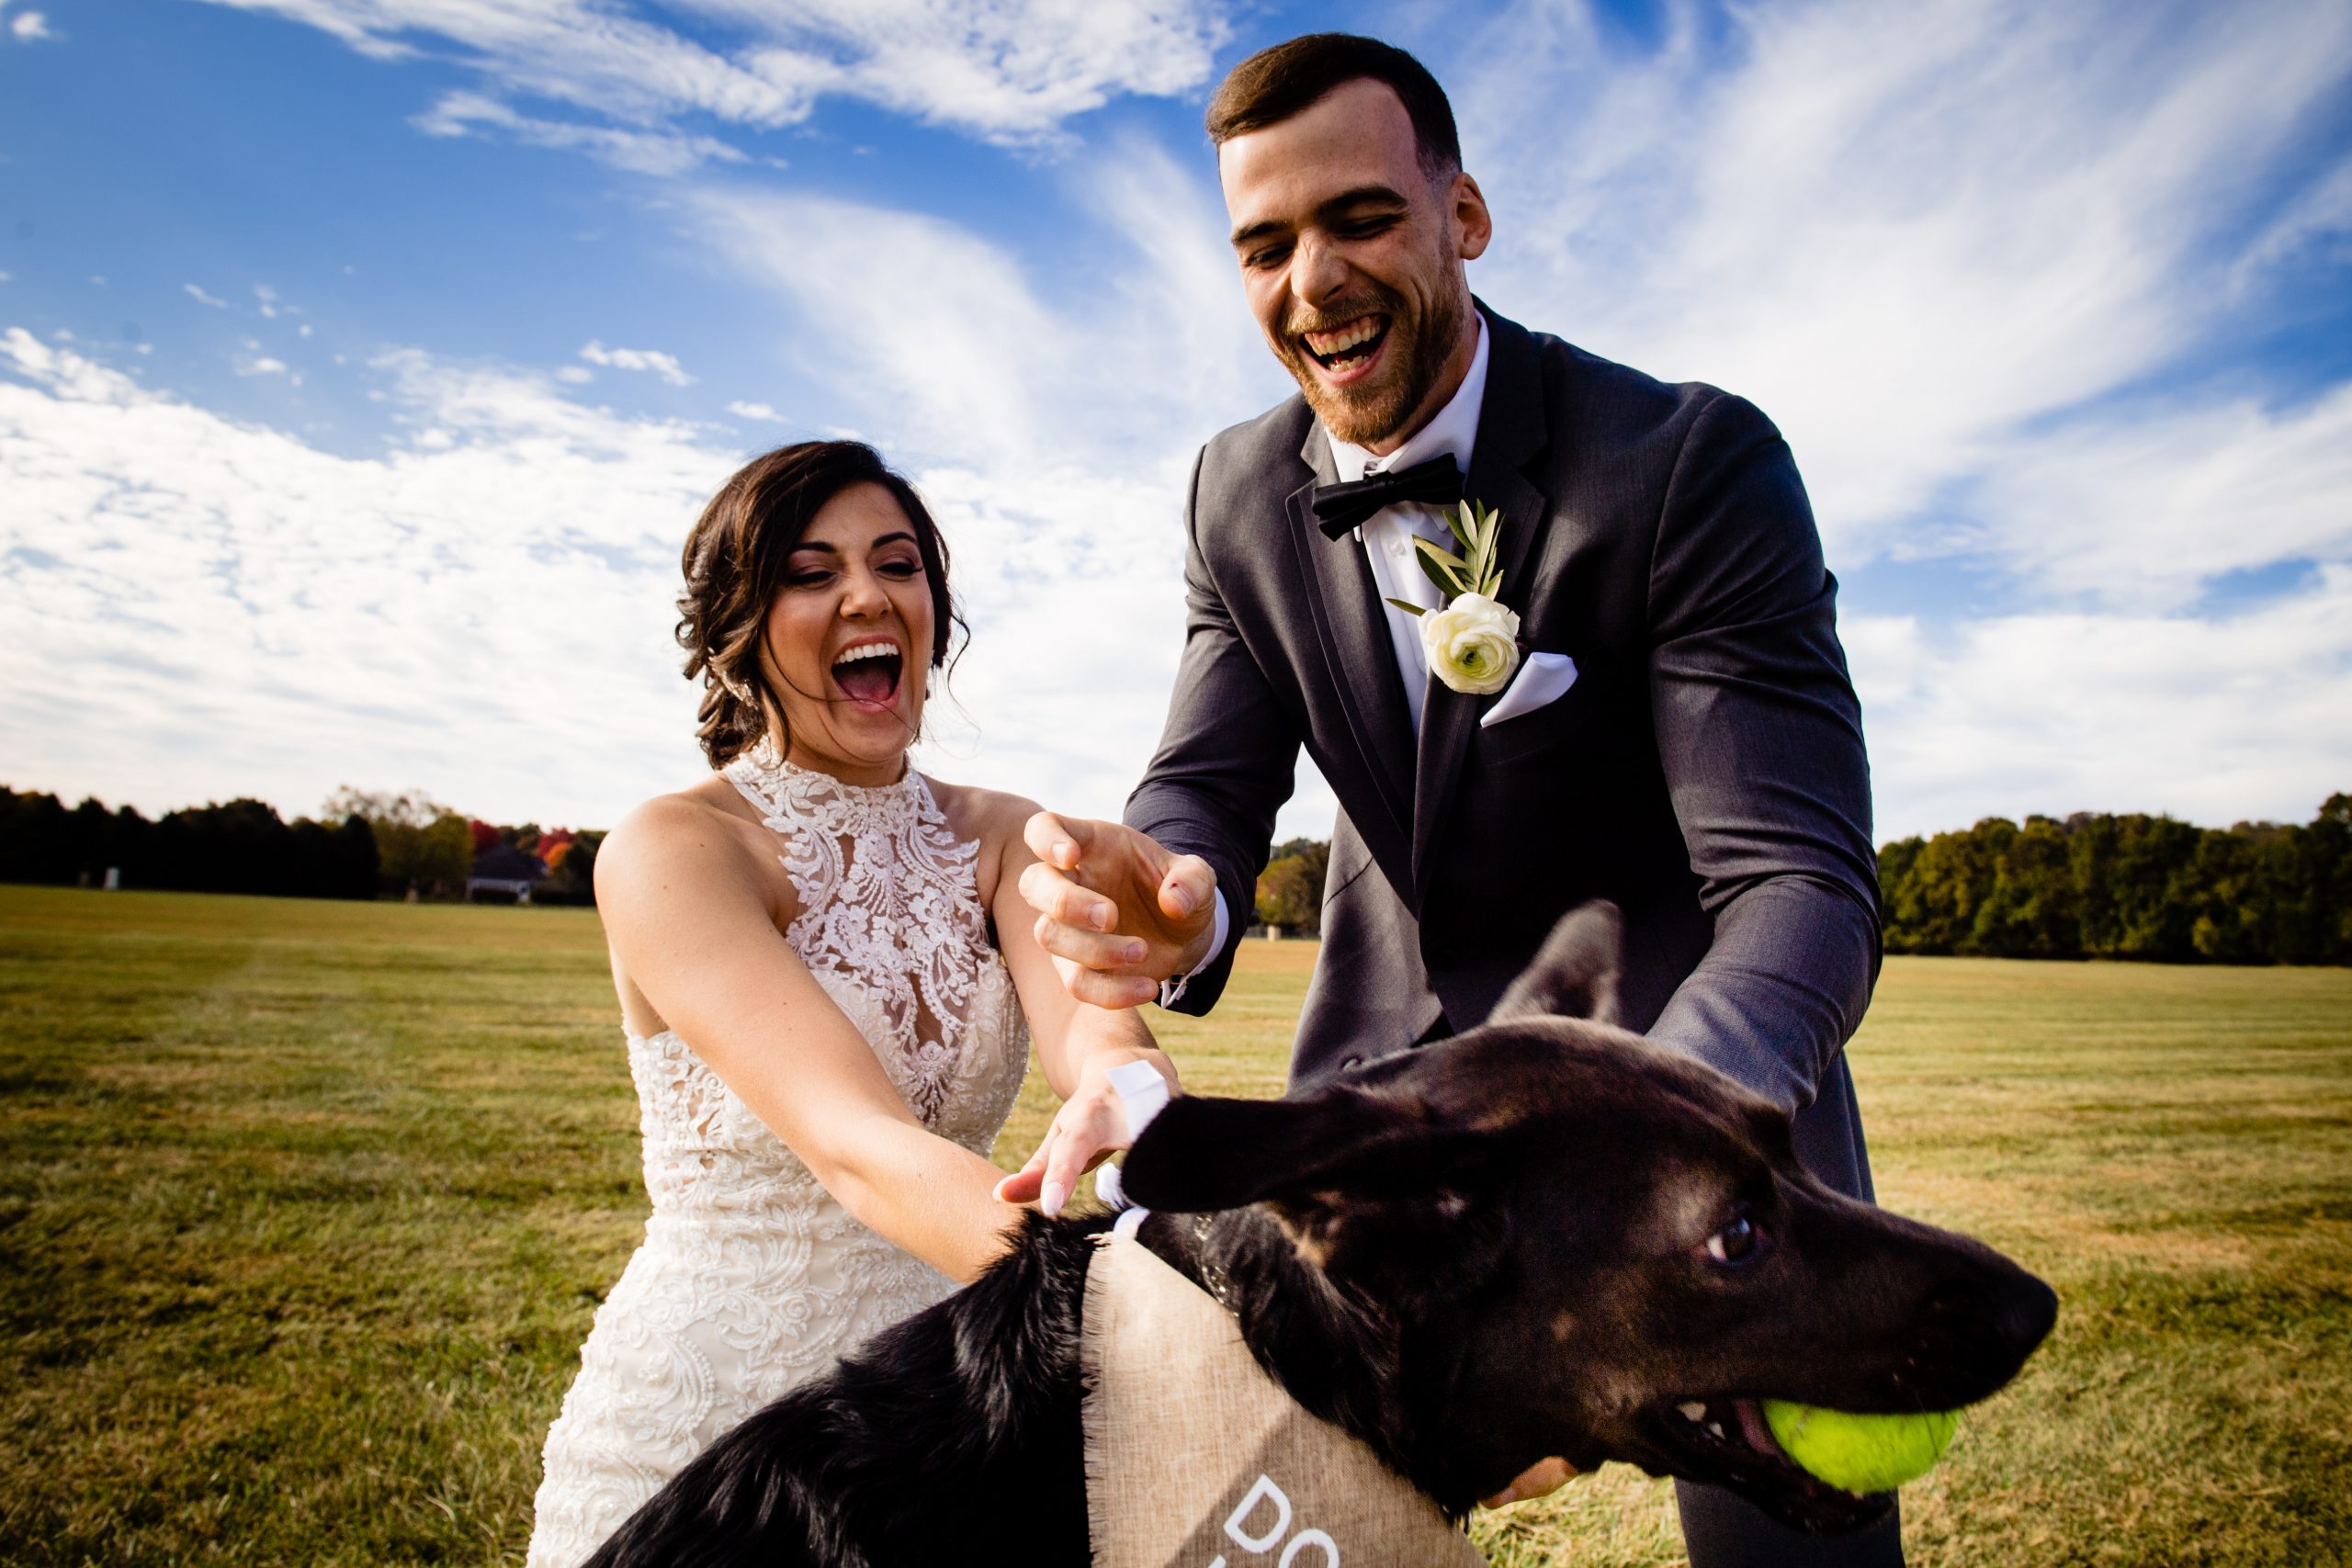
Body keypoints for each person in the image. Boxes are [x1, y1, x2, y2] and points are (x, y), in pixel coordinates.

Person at [1018, 33, 1895, 1568]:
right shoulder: (1236, 488)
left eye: (1359, 219)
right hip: (1390, 1088)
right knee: (1274, 1516)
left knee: (1796, 1534)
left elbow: (1796, 884)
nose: (1313, 283)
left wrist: (1651, 1162)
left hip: (1697, 1085)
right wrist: (1180, 887)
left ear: (1464, 215)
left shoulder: (1688, 463)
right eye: (1265, 245)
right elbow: (1210, 774)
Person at [526, 440, 1172, 1567]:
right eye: (810, 572)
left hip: (945, 1407)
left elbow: (1097, 1030)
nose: (867, 594)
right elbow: (856, 1143)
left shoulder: (1008, 835)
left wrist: (1134, 1095)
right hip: (706, 1424)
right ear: (740, 627)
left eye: (897, 563)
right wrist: (1131, 1301)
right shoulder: (675, 848)